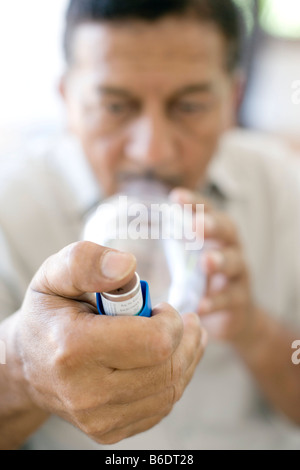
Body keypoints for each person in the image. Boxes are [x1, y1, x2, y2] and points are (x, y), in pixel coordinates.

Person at [0, 0, 300, 450]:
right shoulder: (11, 207)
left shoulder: (281, 186)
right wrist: (23, 370)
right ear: (67, 99)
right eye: (117, 106)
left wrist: (254, 329)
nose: (152, 152)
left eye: (190, 106)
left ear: (232, 99)